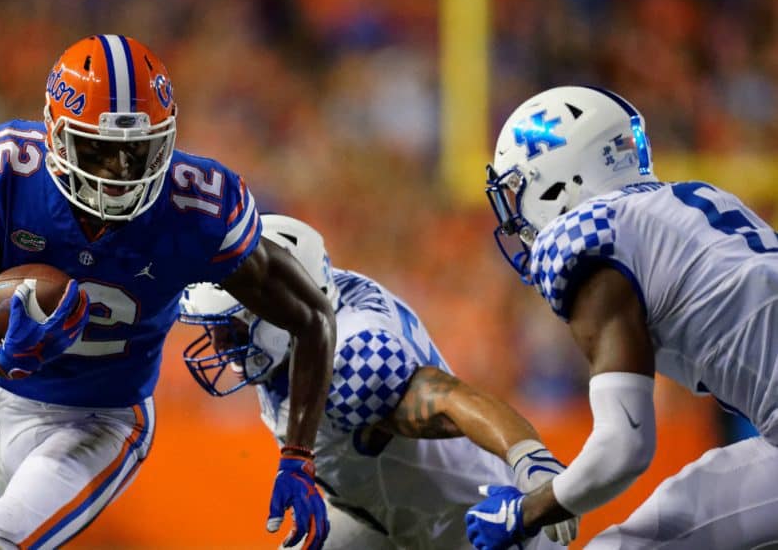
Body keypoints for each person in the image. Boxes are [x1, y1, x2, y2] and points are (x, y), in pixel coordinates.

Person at [0, 35, 335, 550]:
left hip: (103, 418)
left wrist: (299, 457)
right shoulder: (10, 174)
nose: (121, 173)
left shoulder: (198, 209)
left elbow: (313, 316)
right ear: (55, 135)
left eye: (138, 151)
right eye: (100, 150)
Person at [466, 85, 778, 550]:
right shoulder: (695, 201)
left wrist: (526, 511)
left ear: (555, 182)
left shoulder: (590, 241)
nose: (516, 216)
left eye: (518, 188)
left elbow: (623, 447)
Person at [178, 214, 579, 549]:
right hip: (390, 511)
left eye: (230, 330)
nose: (219, 346)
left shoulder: (351, 363)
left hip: (475, 528)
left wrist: (528, 457)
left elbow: (448, 400)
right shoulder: (318, 300)